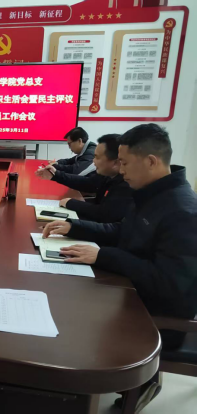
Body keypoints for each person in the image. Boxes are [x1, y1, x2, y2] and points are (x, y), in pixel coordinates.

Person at [43, 124, 197, 412]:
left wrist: (103, 256)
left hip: (156, 315)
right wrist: (74, 226)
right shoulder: (151, 192)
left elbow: (169, 284)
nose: (120, 170)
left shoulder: (183, 211)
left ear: (150, 161)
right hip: (131, 290)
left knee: (66, 315)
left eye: (125, 163)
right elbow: (122, 230)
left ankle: (77, 394)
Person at [35, 134, 133, 223]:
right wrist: (55, 175)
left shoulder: (127, 183)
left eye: (97, 157)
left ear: (115, 162)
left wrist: (71, 203)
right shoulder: (108, 174)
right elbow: (89, 183)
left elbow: (105, 214)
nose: (93, 161)